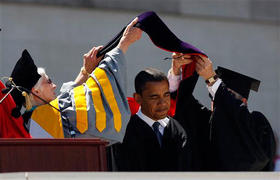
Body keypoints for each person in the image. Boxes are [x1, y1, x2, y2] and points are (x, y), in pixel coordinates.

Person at [5, 18, 142, 143]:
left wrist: (86, 70)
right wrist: (123, 44)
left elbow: (68, 97)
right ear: (36, 91)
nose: (54, 86)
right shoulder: (42, 117)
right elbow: (78, 105)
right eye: (49, 81)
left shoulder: (37, 117)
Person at [168, 53, 276, 171]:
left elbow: (254, 160)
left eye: (227, 95)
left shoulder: (256, 123)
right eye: (215, 95)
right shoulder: (205, 121)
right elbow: (180, 106)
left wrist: (213, 81)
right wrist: (177, 72)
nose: (218, 100)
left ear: (244, 102)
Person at [117, 68, 190, 171]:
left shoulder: (178, 130)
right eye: (154, 97)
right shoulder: (125, 132)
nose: (163, 103)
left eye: (166, 95)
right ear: (138, 98)